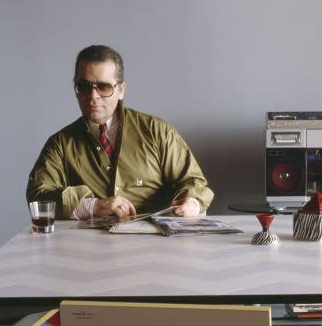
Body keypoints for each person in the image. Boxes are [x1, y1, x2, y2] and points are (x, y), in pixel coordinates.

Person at [26, 45, 214, 220]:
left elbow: (193, 181)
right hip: (88, 248)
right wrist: (92, 206)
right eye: (84, 87)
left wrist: (192, 203)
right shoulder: (60, 144)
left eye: (104, 86)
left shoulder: (157, 132)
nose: (93, 96)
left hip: (155, 243)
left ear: (121, 90)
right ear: (76, 90)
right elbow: (38, 197)